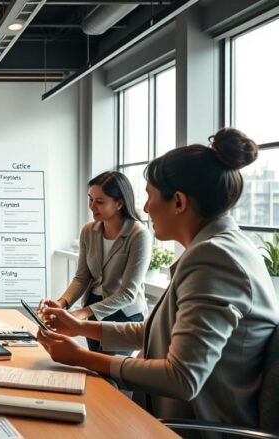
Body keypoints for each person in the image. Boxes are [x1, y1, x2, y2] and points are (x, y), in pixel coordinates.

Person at [37, 128, 279, 427]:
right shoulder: (218, 247)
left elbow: (181, 378)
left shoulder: (215, 259)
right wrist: (81, 327)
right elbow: (158, 330)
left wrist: (82, 358)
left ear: (178, 202)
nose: (147, 208)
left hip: (194, 427)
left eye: (150, 196)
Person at [39, 171, 151, 354]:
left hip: (123, 313)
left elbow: (127, 293)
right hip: (92, 306)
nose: (92, 206)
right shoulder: (89, 231)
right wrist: (62, 304)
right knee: (95, 369)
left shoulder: (139, 235)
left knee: (111, 371)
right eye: (90, 199)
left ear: (119, 203)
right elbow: (82, 278)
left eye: (100, 202)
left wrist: (81, 314)